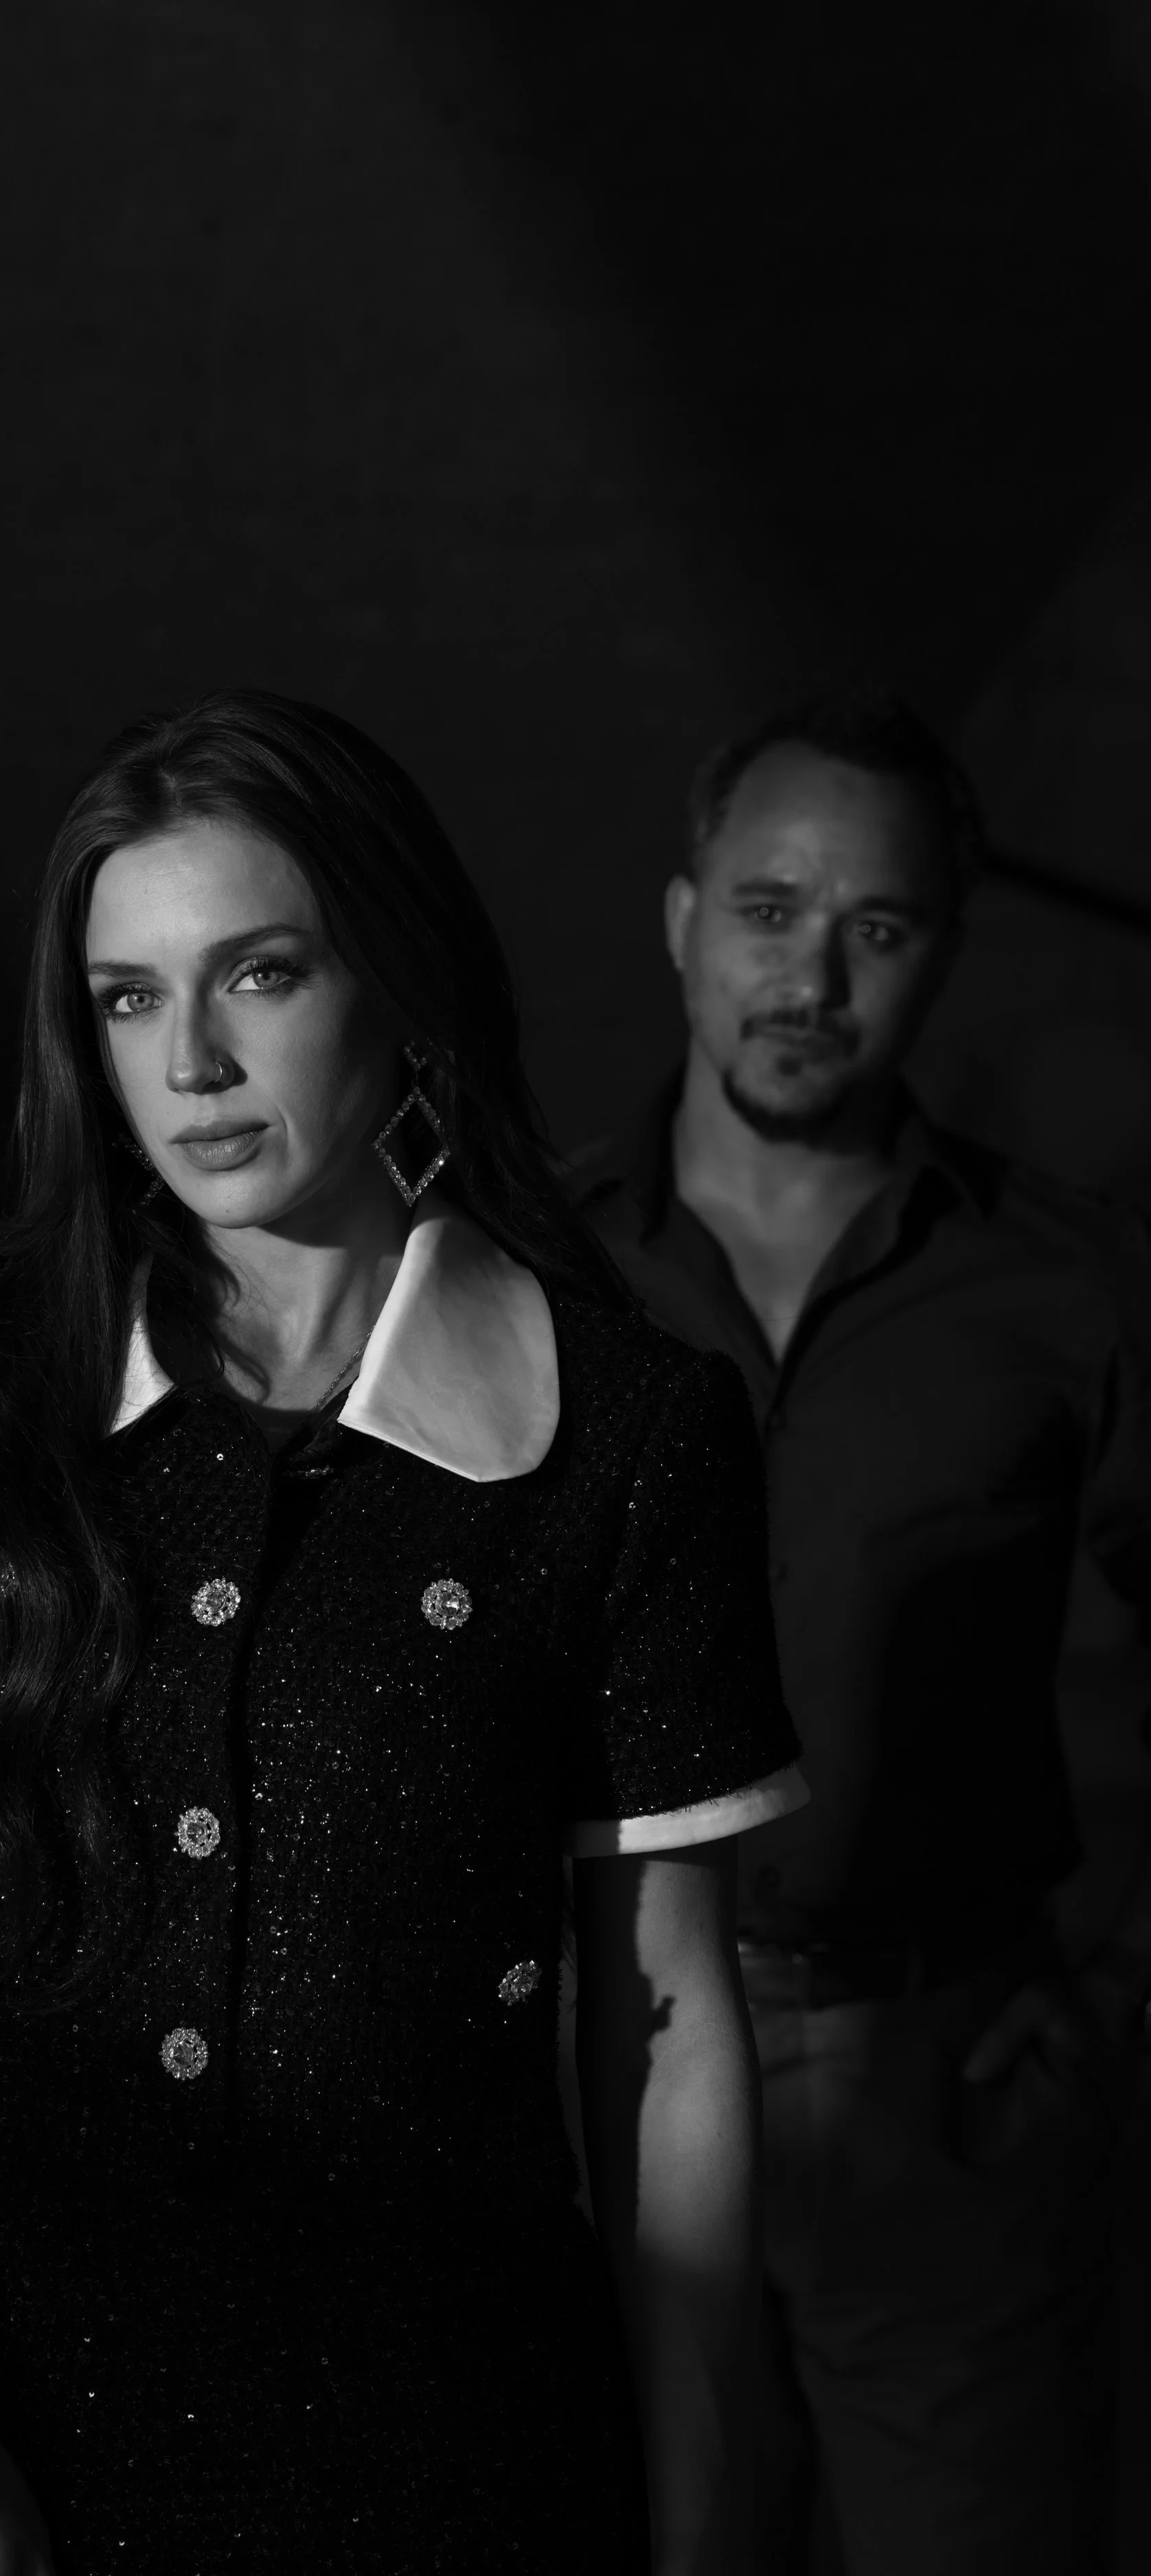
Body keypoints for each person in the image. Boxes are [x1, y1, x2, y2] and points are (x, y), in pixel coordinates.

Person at [0, 689, 802, 2575]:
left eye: (257, 974)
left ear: (398, 982)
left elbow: (665, 2027)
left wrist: (704, 2522)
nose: (187, 1057)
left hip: (466, 2469)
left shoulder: (627, 1432)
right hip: (3, 2474)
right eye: (125, 997)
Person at [582, 687, 1151, 2576]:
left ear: (940, 955)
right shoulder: (524, 1273)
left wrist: (1114, 2015)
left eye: (876, 927)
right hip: (597, 2084)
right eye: (767, 907)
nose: (808, 972)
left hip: (944, 2098)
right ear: (680, 917)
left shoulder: (1066, 1286)